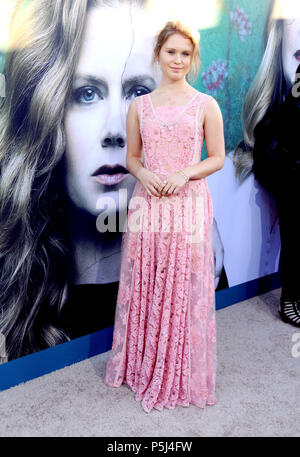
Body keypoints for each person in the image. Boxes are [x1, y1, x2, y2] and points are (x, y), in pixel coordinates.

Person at [0, 0, 158, 360]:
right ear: (45, 109)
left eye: (139, 93)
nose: (116, 131)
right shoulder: (9, 275)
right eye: (86, 94)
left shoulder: (194, 257)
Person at [104, 21, 225, 413]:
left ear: (193, 59)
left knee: (181, 287)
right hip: (148, 203)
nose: (177, 59)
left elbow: (218, 158)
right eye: (171, 51)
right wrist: (145, 174)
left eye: (185, 54)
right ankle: (142, 363)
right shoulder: (140, 106)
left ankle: (177, 368)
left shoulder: (206, 104)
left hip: (188, 203)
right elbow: (132, 158)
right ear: (158, 54)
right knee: (146, 281)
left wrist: (184, 172)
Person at [232, 6, 300, 326]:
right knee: (295, 241)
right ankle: (289, 302)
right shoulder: (280, 111)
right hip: (290, 184)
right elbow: (270, 158)